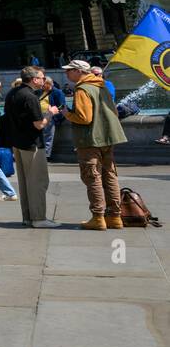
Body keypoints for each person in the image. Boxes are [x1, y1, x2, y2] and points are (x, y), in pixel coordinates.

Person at [61, 59, 127, 230]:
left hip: (90, 140)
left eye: (69, 70)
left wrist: (67, 114)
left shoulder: (83, 88)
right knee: (110, 175)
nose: (66, 74)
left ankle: (98, 217)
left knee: (92, 177)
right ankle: (115, 217)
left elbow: (84, 118)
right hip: (107, 138)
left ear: (78, 71)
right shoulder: (102, 85)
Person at [0, 66, 60, 228]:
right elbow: (39, 125)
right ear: (34, 79)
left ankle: (28, 217)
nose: (43, 80)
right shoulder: (30, 97)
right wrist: (50, 113)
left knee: (25, 183)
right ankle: (39, 218)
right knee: (38, 181)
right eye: (41, 77)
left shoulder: (13, 93)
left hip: (17, 144)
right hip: (32, 144)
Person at [39, 76, 67, 159]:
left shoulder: (57, 92)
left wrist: (55, 115)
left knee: (47, 136)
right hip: (40, 116)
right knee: (42, 136)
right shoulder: (40, 92)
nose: (41, 86)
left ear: (48, 84)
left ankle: (46, 155)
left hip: (50, 116)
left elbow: (62, 105)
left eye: (43, 84)